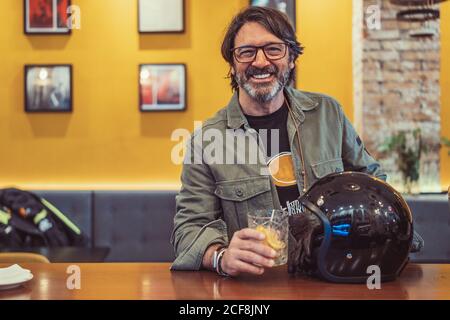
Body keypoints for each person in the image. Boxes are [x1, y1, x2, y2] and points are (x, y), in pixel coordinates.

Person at [170, 6, 386, 277]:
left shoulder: (328, 114)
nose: (260, 62)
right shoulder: (206, 141)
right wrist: (221, 256)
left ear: (291, 58)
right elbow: (188, 229)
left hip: (333, 277)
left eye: (273, 49)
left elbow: (374, 183)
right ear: (232, 64)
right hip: (257, 288)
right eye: (247, 52)